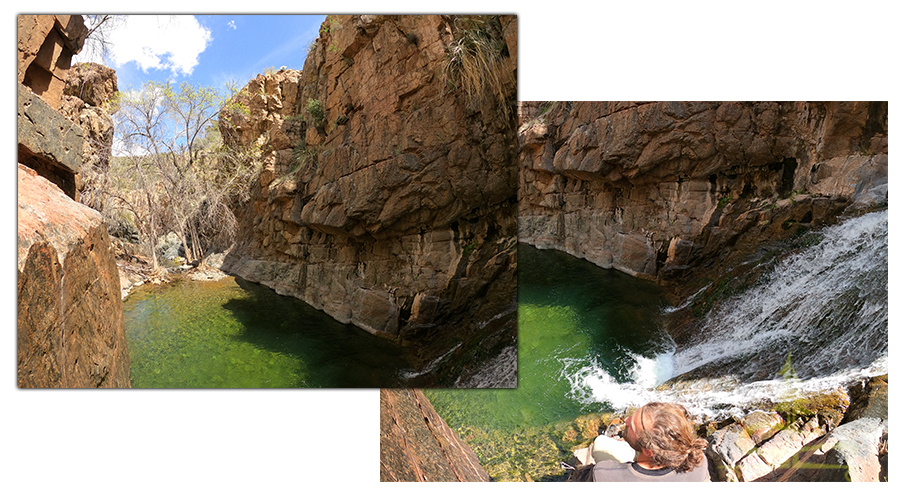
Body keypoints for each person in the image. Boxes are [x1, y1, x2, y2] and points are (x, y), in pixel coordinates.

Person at [588, 402, 710, 482]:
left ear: (648, 451)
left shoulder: (604, 474)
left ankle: (630, 449)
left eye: (631, 426)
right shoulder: (698, 461)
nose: (626, 420)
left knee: (601, 442)